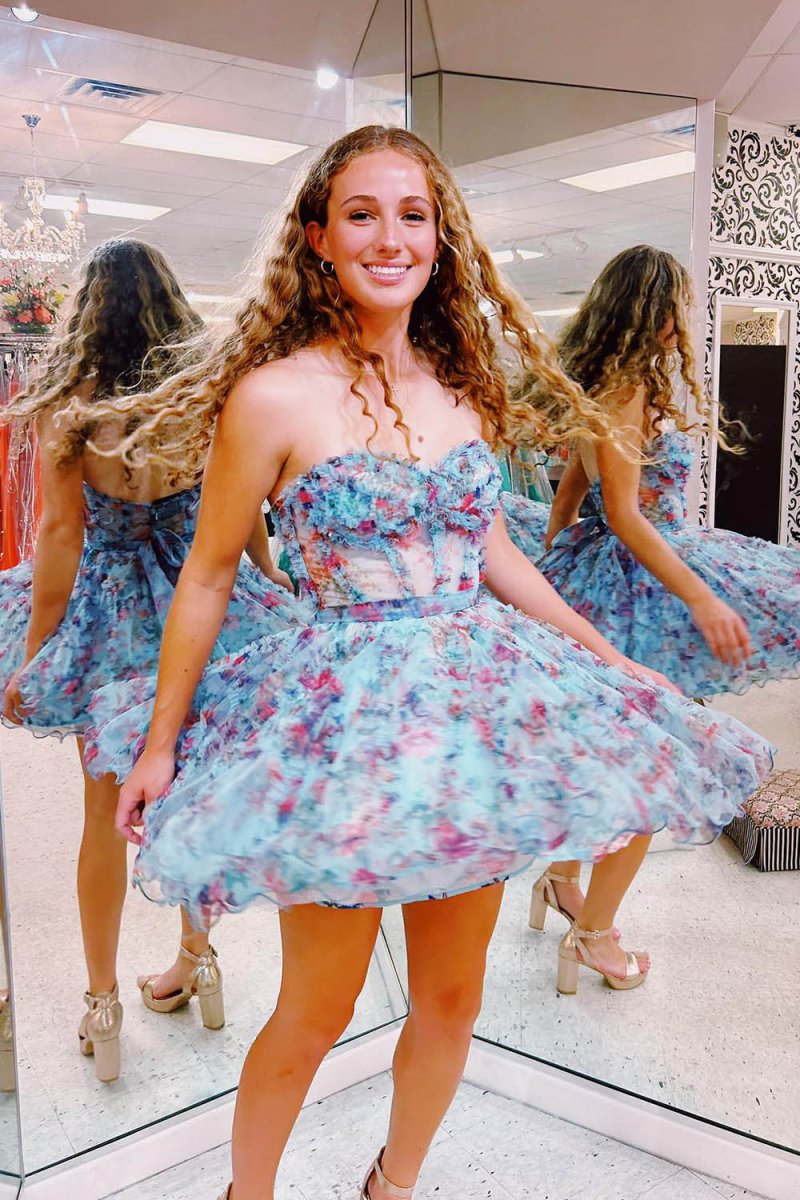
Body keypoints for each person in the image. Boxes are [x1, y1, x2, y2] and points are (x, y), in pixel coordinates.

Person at [83, 130, 772, 1200]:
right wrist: (162, 743)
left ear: (440, 240)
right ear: (318, 237)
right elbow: (209, 575)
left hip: (465, 722)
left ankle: (391, 1186)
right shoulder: (272, 395)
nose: (389, 237)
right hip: (342, 724)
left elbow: (493, 551)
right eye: (361, 213)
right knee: (316, 1009)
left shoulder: (463, 387)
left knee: (454, 999)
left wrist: (610, 661)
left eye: (413, 215)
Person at [0, 238, 302, 1082]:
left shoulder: (72, 405)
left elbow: (61, 536)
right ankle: (196, 963)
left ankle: (101, 1003)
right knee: (187, 787)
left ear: (87, 311)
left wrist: (40, 652)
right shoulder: (205, 395)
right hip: (197, 603)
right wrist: (269, 576)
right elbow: (239, 514)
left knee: (102, 811)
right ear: (171, 302)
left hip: (107, 608)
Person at [504, 243, 800, 948]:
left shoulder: (606, 383)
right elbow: (626, 515)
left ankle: (561, 881)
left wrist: (553, 566)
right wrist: (702, 598)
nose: (685, 319)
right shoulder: (625, 389)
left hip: (612, 578)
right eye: (678, 306)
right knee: (648, 759)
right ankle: (595, 935)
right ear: (651, 310)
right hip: (636, 582)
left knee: (613, 746)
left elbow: (571, 495)